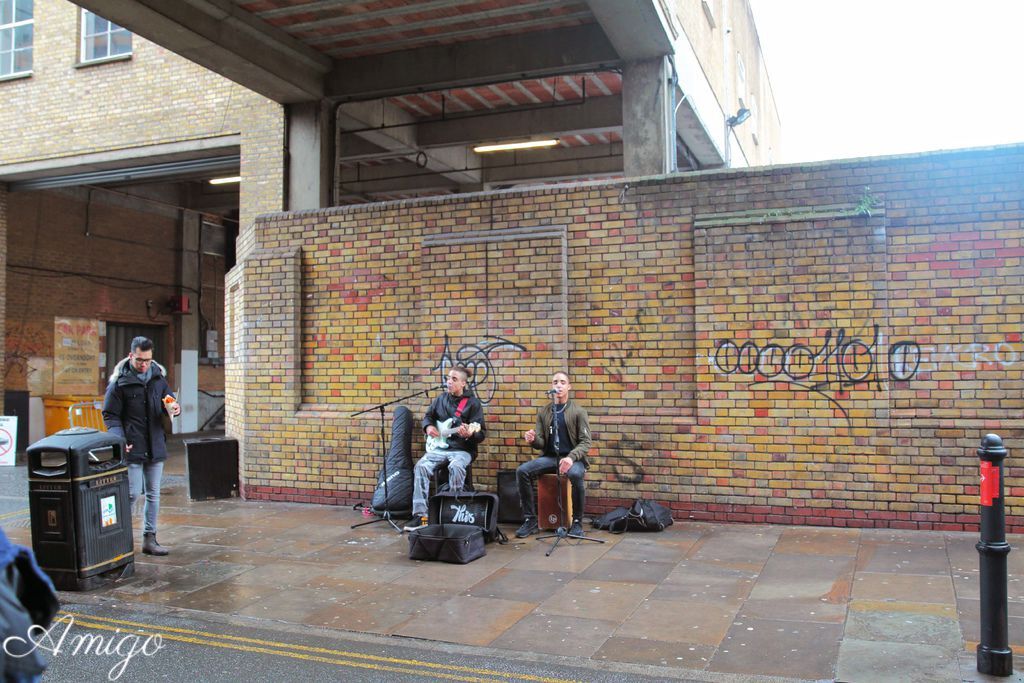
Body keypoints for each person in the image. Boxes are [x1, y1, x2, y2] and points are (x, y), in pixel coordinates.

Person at [102, 336, 180, 556]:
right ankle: (117, 538)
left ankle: (150, 539)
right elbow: (110, 415)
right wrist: (120, 438)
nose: (143, 364)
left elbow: (169, 401)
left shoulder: (158, 379)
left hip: (155, 444)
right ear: (130, 356)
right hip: (132, 445)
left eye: (147, 359)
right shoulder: (119, 383)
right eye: (139, 360)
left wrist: (174, 408)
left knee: (154, 494)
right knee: (132, 493)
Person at [403, 366, 486, 531]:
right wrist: (428, 428)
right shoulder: (440, 399)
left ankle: (453, 513)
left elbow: (481, 433)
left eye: (454, 379)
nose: (449, 381)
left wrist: (468, 434)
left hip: (462, 450)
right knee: (421, 466)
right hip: (439, 449)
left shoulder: (473, 404)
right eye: (448, 378)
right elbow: (428, 417)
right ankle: (420, 515)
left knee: (456, 466)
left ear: (463, 383)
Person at [516, 371, 592, 538]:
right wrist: (533, 439)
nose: (558, 385)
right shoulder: (544, 412)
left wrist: (571, 458)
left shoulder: (579, 412)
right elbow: (541, 443)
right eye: (555, 382)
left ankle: (578, 522)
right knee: (522, 471)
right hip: (551, 458)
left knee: (576, 475)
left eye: (562, 382)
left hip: (573, 458)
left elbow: (586, 442)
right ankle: (530, 520)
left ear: (569, 387)